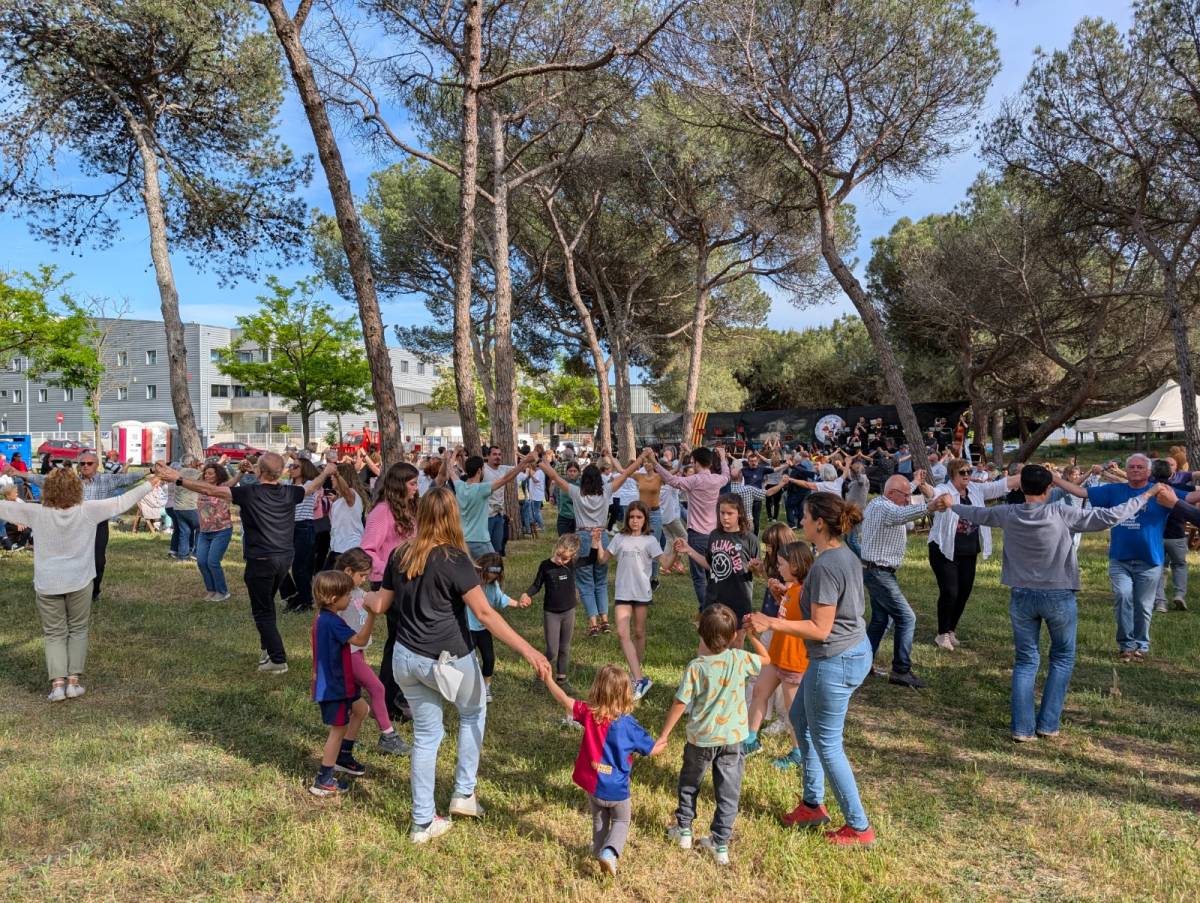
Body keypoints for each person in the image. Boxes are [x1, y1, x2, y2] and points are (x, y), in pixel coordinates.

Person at [367, 487, 551, 844]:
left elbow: (381, 604)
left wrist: (363, 596)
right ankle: (463, 793)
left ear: (420, 515)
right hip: (448, 659)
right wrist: (529, 650)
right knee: (472, 712)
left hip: (406, 658)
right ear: (453, 517)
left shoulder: (400, 554)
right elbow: (484, 613)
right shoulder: (455, 559)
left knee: (425, 737)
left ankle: (423, 822)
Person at [932, 467, 1168, 738]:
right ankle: (1048, 725)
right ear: (1048, 490)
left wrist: (952, 505)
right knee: (1062, 658)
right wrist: (1147, 494)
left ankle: (1022, 729)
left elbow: (977, 514)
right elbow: (1108, 517)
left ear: (1021, 489)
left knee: (1025, 661)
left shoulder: (1008, 513)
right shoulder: (1060, 512)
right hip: (1058, 594)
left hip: (1021, 595)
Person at [745, 492, 876, 847]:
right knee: (800, 721)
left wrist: (770, 621)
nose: (799, 521)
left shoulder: (826, 565)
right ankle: (812, 804)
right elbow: (823, 609)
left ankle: (859, 827)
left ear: (819, 522)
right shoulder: (838, 555)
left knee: (828, 744)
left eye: (804, 516)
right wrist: (787, 593)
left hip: (835, 659)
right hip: (847, 652)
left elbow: (820, 628)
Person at [155, 455, 334, 674]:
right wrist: (326, 472)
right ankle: (267, 651)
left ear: (260, 473)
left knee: (262, 612)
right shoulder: (291, 492)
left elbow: (211, 490)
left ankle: (277, 659)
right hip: (283, 559)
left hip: (261, 561)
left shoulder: (250, 493)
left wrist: (179, 478)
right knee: (267, 604)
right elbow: (311, 486)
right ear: (281, 472)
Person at [0, 467, 155, 701]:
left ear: (47, 489)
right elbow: (122, 501)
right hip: (80, 581)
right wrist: (151, 483)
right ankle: (73, 683)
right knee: (78, 629)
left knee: (53, 634)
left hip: (47, 582)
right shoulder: (89, 510)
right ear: (77, 488)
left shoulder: (34, 512)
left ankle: (57, 686)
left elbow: (3, 507)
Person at [653, 604, 771, 867]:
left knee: (689, 783)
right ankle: (720, 844)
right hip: (733, 740)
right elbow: (766, 660)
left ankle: (684, 830)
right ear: (732, 637)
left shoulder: (696, 667)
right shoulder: (740, 659)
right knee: (729, 792)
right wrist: (752, 636)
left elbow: (680, 703)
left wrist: (664, 734)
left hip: (701, 740)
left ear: (702, 635)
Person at [1054, 454, 1178, 661]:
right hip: (1120, 559)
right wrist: (1053, 478)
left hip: (1150, 560)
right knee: (1123, 597)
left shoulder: (1162, 492)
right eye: (1132, 467)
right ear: (1126, 470)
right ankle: (1126, 645)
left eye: (1140, 467)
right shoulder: (1114, 490)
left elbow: (1188, 498)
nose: (1136, 470)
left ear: (1148, 472)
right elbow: (1081, 492)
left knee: (1144, 606)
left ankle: (1141, 645)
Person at [543, 665, 658, 876]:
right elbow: (651, 749)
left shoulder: (588, 713)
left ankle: (597, 850)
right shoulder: (629, 726)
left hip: (593, 786)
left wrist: (549, 679)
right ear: (626, 694)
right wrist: (664, 741)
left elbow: (564, 699)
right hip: (617, 791)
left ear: (597, 689)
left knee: (599, 820)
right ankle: (610, 852)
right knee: (621, 820)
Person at [10, 451, 146, 601]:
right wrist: (18, 473)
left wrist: (151, 472)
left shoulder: (107, 480)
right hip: (75, 525)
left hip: (98, 525)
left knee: (98, 560)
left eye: (89, 463)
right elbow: (43, 479)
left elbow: (129, 478)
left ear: (97, 465)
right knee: (72, 559)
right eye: (82, 464)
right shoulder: (72, 480)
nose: (85, 466)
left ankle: (94, 591)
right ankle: (72, 590)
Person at [538, 455, 642, 637]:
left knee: (586, 582)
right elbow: (626, 475)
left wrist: (539, 462)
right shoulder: (607, 491)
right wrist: (641, 458)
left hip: (584, 536)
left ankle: (593, 624)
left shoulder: (576, 493)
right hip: (601, 537)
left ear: (583, 479)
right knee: (600, 580)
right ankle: (605, 620)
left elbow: (555, 476)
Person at [928, 459, 1018, 651]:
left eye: (969, 471)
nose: (967, 475)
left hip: (969, 550)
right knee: (950, 591)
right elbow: (932, 493)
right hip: (944, 549)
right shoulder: (944, 488)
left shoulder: (976, 490)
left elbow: (1003, 484)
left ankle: (951, 630)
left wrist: (1031, 474)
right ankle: (942, 633)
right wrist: (921, 485)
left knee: (964, 591)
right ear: (953, 474)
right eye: (963, 472)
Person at [593, 501, 677, 702]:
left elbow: (665, 564)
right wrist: (598, 544)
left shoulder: (650, 541)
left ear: (645, 519)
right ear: (627, 519)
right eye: (632, 517)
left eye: (639, 517)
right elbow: (603, 559)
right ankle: (640, 679)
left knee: (639, 633)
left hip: (641, 593)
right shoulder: (620, 538)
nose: (635, 521)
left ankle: (634, 674)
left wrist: (675, 551)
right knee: (623, 633)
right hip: (622, 592)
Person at [742, 541, 813, 769]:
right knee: (759, 692)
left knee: (794, 712)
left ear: (796, 565)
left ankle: (798, 752)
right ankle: (751, 739)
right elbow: (786, 613)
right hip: (777, 654)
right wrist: (779, 595)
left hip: (794, 660)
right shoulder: (792, 588)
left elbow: (802, 622)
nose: (779, 569)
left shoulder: (806, 593)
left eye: (782, 565)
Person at [308, 570, 379, 797]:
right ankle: (324, 779)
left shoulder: (323, 618)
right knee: (337, 730)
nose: (350, 599)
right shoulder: (332, 622)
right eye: (347, 595)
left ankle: (344, 757)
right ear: (332, 598)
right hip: (334, 687)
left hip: (340, 682)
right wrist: (371, 616)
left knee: (361, 709)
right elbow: (360, 640)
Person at [333, 549, 410, 756]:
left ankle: (345, 744)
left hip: (356, 654)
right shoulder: (338, 596)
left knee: (355, 704)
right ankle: (388, 735)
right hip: (345, 655)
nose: (365, 580)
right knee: (377, 688)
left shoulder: (358, 593)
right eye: (363, 576)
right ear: (348, 571)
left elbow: (374, 601)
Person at [860, 473, 932, 688]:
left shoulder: (881, 502)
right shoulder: (885, 508)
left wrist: (915, 483)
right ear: (892, 494)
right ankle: (901, 670)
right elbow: (902, 514)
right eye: (906, 495)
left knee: (880, 620)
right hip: (879, 573)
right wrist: (932, 506)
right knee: (907, 618)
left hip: (877, 571)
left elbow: (899, 497)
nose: (908, 499)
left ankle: (863, 664)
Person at [362, 462, 420, 722]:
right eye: (412, 484)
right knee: (399, 641)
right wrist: (392, 571)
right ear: (399, 484)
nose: (417, 489)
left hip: (410, 581)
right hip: (388, 583)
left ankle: (395, 695)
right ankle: (388, 699)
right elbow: (367, 550)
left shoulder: (409, 509)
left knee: (403, 640)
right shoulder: (382, 512)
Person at [673, 494, 761, 644]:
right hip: (714, 598)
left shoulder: (749, 539)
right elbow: (710, 564)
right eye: (722, 513)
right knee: (707, 642)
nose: (725, 517)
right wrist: (689, 550)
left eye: (730, 513)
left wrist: (756, 568)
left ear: (739, 513)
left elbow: (759, 572)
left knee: (736, 644)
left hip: (739, 599)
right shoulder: (714, 535)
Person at [651, 444, 730, 612]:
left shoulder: (694, 480)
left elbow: (672, 480)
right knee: (713, 574)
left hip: (696, 536)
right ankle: (715, 609)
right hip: (714, 534)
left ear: (695, 462)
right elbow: (726, 475)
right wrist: (722, 458)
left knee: (699, 578)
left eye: (693, 461)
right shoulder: (717, 479)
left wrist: (654, 463)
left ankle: (706, 611)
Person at [436, 447, 534, 558]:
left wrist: (453, 455)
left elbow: (450, 470)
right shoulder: (482, 489)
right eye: (483, 469)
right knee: (494, 568)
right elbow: (506, 478)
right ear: (479, 471)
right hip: (480, 541)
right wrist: (525, 461)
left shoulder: (459, 486)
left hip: (461, 540)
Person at [522, 533, 583, 693]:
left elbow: (591, 559)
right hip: (552, 614)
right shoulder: (545, 566)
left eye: (565, 559)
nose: (560, 561)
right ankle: (541, 675)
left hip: (569, 611)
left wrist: (596, 544)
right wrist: (527, 594)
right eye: (558, 556)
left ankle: (562, 679)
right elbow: (536, 585)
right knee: (552, 650)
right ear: (555, 548)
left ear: (572, 557)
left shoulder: (572, 564)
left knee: (564, 647)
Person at [467, 553, 531, 702]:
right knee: (469, 660)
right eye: (489, 575)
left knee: (489, 658)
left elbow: (501, 599)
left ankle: (486, 688)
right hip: (467, 628)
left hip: (483, 629)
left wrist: (518, 604)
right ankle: (468, 689)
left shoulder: (492, 585)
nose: (491, 578)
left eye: (494, 576)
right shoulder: (470, 582)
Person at [195, 461, 241, 601]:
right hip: (204, 531)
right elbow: (188, 481)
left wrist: (242, 471)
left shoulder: (223, 487)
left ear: (218, 474)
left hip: (222, 530)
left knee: (213, 562)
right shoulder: (201, 487)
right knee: (202, 561)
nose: (207, 475)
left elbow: (234, 480)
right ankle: (211, 590)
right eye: (205, 473)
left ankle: (223, 591)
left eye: (210, 473)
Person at [326, 462, 368, 569]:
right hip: (338, 547)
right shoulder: (343, 499)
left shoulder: (351, 494)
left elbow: (346, 491)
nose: (331, 478)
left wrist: (337, 474)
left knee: (333, 581)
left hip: (348, 548)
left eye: (334, 477)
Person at [482, 445, 514, 555]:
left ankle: (494, 570)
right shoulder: (482, 469)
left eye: (499, 454)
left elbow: (519, 468)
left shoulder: (504, 469)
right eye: (494, 454)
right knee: (485, 548)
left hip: (499, 515)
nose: (497, 457)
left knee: (497, 548)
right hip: (485, 515)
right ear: (488, 456)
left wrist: (529, 459)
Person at [170, 457, 203, 562]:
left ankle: (183, 556)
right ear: (192, 463)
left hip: (178, 507)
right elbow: (206, 474)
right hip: (190, 507)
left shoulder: (178, 471)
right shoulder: (193, 472)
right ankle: (196, 553)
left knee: (185, 531)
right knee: (200, 528)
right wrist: (200, 465)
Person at [555, 460, 581, 535]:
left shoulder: (582, 484)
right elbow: (558, 496)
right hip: (563, 517)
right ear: (566, 471)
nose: (572, 473)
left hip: (577, 519)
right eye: (570, 471)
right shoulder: (562, 482)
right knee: (563, 542)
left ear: (578, 472)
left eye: (574, 471)